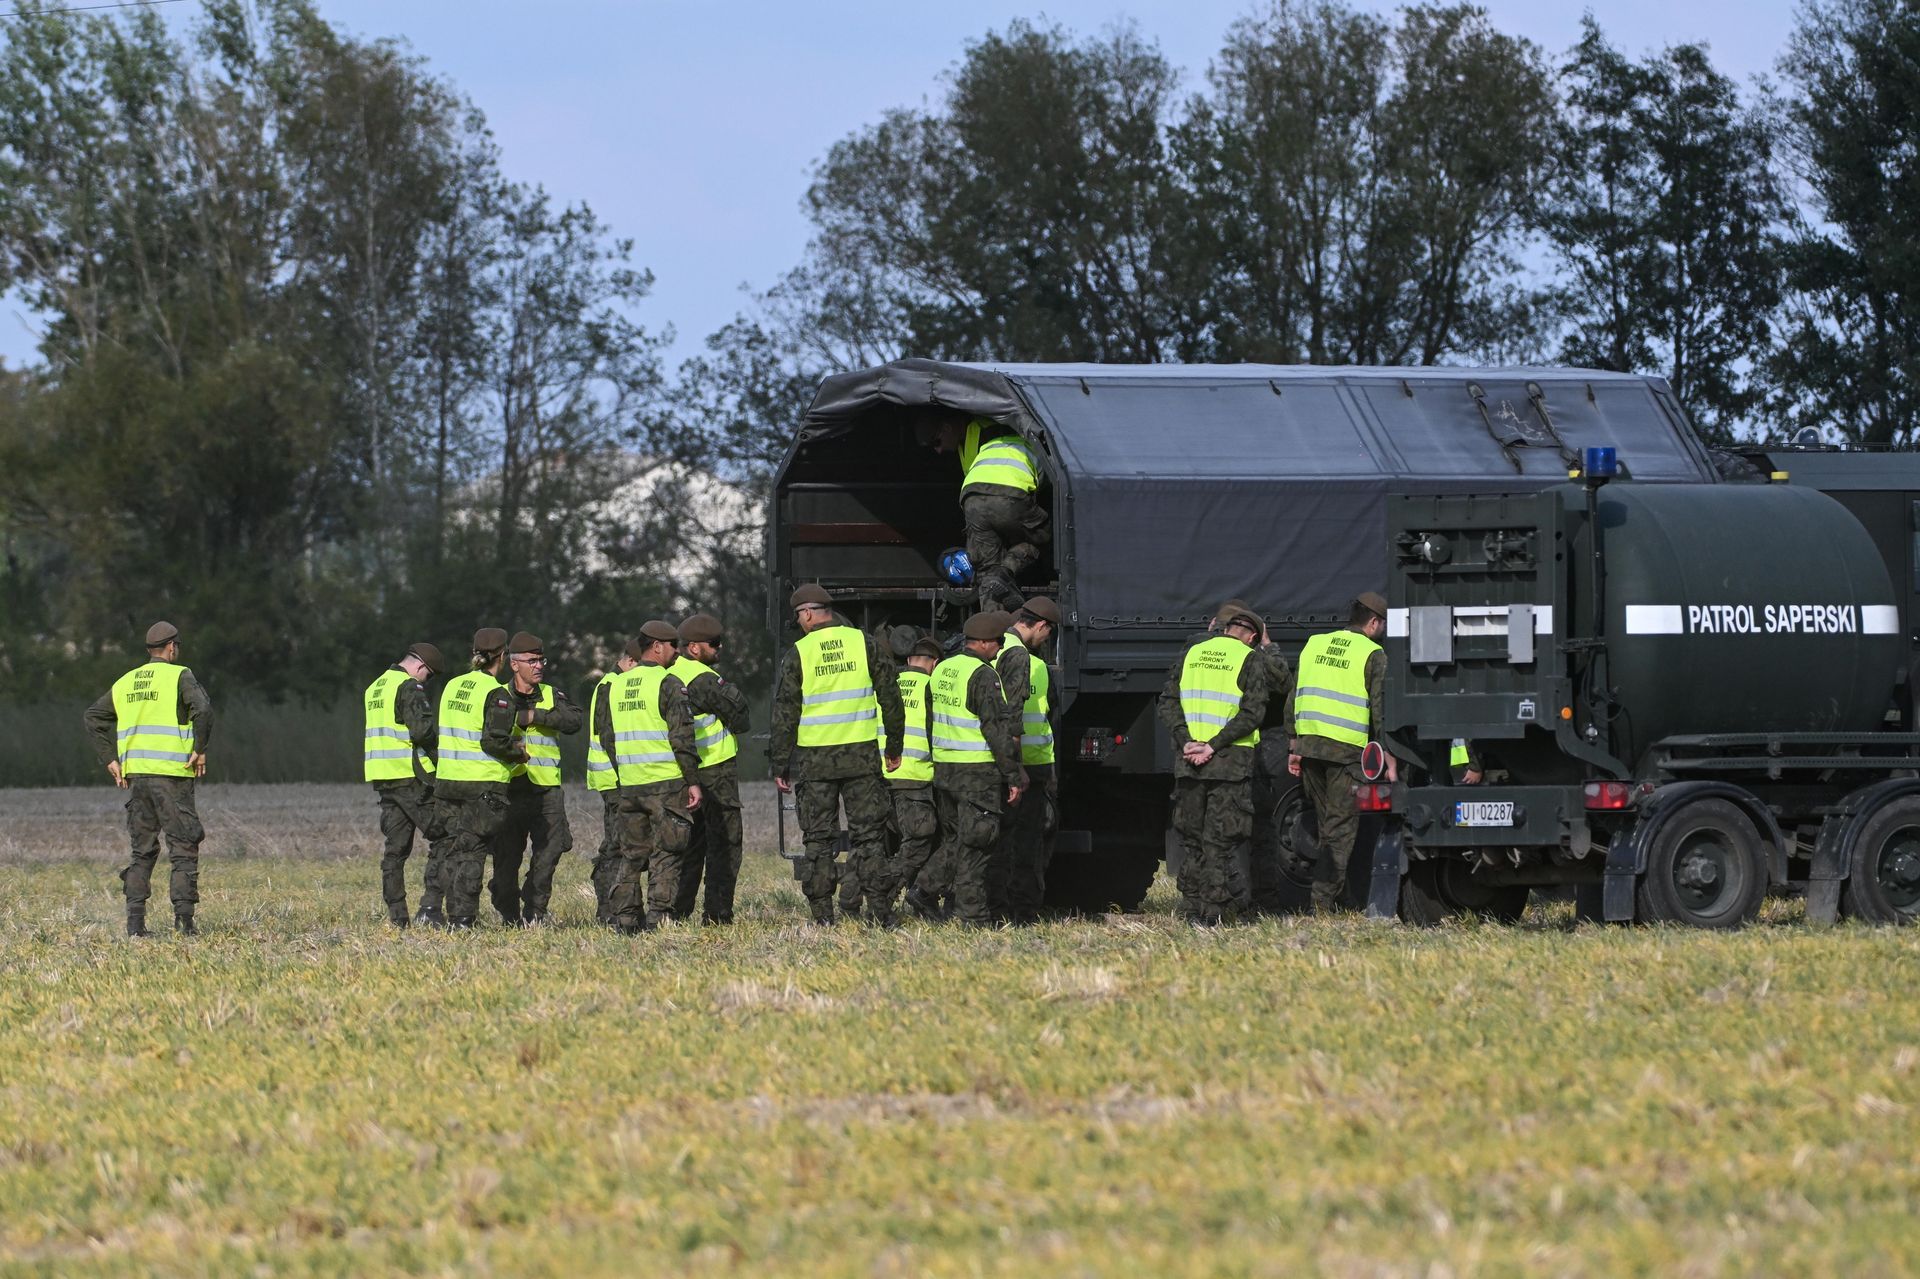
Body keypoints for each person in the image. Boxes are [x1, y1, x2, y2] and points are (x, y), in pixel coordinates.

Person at [769, 585, 905, 925]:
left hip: (816, 762)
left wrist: (780, 763)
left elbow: (785, 712)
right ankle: (881, 914)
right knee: (870, 838)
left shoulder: (799, 652)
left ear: (808, 613)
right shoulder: (864, 643)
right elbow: (891, 696)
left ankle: (823, 917)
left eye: (799, 617)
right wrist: (894, 747)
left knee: (818, 840)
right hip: (862, 758)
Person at [82, 621, 213, 937]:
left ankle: (135, 926)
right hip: (172, 775)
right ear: (171, 647)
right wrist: (199, 749)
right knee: (183, 846)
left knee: (142, 850)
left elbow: (93, 717)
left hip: (137, 778)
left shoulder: (126, 681)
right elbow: (203, 710)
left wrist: (110, 759)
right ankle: (184, 924)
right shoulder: (180, 675)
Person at [1160, 604, 1270, 925]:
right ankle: (1213, 913)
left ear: (1225, 629)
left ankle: (1191, 908)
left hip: (1189, 761)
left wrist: (1186, 742)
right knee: (1220, 841)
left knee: (1192, 840)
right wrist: (1213, 745)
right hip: (1228, 765)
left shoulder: (1192, 653)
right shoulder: (1250, 658)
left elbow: (1168, 702)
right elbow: (1253, 713)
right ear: (1251, 637)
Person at [1287, 591, 1394, 915]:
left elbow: (1294, 695)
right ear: (1373, 622)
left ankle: (1343, 898)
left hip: (1310, 748)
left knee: (1327, 826)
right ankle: (1321, 906)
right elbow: (1380, 709)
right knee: (1339, 832)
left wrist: (1293, 743)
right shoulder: (1373, 654)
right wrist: (1388, 753)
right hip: (1345, 753)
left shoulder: (1314, 644)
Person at [595, 620, 703, 932]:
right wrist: (692, 781)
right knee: (667, 853)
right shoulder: (668, 683)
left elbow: (607, 737)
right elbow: (682, 738)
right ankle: (659, 919)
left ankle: (626, 919)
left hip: (630, 785)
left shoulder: (617, 685)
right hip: (665, 784)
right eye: (673, 646)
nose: (677, 652)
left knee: (630, 856)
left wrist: (624, 771)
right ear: (657, 646)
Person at [930, 611, 1024, 927]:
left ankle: (928, 893)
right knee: (977, 845)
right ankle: (973, 917)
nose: (1000, 648)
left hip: (945, 771)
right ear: (982, 643)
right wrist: (1012, 774)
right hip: (976, 775)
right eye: (997, 642)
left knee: (956, 841)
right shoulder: (983, 675)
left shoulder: (943, 669)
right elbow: (996, 730)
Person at [490, 632, 583, 926]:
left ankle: (535, 912)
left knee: (550, 852)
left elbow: (574, 720)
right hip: (510, 790)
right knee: (506, 860)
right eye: (531, 661)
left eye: (541, 660)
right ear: (514, 664)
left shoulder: (552, 694)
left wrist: (534, 717)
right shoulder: (497, 695)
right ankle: (508, 912)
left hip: (546, 790)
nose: (539, 666)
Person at [916, 407, 1049, 613]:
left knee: (986, 569)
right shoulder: (1009, 440)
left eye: (937, 442)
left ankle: (991, 622)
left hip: (972, 499)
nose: (938, 451)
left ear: (947, 428)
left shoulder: (986, 430)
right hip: (1009, 496)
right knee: (1042, 537)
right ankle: (1004, 573)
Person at [434, 627, 524, 929]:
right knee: (472, 851)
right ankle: (463, 919)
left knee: (452, 851)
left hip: (447, 782)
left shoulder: (452, 686)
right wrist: (518, 752)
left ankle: (451, 915)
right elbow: (493, 741)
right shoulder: (496, 693)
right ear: (503, 655)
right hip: (480, 785)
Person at [668, 613, 752, 924]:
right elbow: (741, 717)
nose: (720, 648)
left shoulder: (667, 675)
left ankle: (677, 912)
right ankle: (717, 915)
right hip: (715, 771)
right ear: (694, 648)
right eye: (714, 644)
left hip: (679, 772)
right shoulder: (703, 679)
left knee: (688, 845)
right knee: (725, 844)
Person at [362, 641, 447, 928]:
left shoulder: (375, 687)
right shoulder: (408, 687)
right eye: (429, 675)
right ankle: (430, 908)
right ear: (421, 666)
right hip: (411, 778)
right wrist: (441, 759)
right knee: (445, 837)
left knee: (395, 850)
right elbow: (422, 732)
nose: (426, 681)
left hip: (383, 778)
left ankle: (398, 918)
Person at [995, 597, 1063, 923]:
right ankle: (1022, 911)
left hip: (994, 761)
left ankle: (998, 905)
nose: (1046, 641)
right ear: (1042, 626)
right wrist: (1018, 767)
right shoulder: (1027, 660)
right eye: (1048, 634)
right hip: (1029, 766)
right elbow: (1019, 717)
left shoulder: (993, 650)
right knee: (1028, 842)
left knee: (1001, 839)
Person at [890, 636, 949, 922]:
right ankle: (884, 896)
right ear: (935, 664)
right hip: (915, 776)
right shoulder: (930, 686)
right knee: (918, 841)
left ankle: (858, 900)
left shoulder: (889, 684)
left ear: (908, 660)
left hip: (882, 776)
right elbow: (935, 733)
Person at [584, 639, 640, 924]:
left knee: (619, 843)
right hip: (615, 779)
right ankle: (609, 911)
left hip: (617, 778)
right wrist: (626, 774)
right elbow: (609, 737)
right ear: (630, 661)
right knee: (616, 846)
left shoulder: (614, 683)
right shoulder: (611, 685)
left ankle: (616, 910)